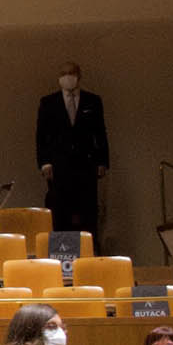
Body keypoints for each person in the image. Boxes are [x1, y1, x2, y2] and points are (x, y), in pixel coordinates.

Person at [36, 61, 108, 237]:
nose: (67, 76)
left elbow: (100, 132)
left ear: (79, 76)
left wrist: (103, 161)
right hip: (59, 165)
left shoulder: (93, 101)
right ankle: (62, 251)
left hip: (86, 163)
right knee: (60, 209)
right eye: (64, 73)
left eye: (71, 73)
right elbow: (41, 135)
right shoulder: (48, 102)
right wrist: (44, 162)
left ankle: (90, 247)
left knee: (88, 209)